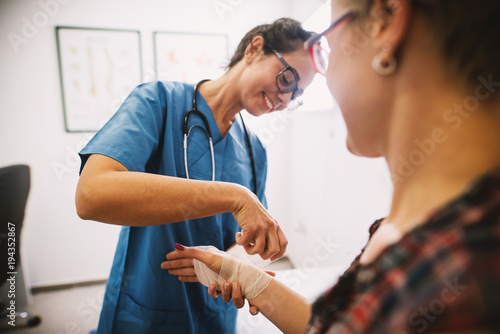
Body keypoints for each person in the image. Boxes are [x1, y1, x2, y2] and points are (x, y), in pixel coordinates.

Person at [163, 0, 500, 333]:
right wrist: (245, 276)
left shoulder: (459, 276)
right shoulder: (418, 236)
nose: (286, 100)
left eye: (328, 49)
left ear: (387, 21)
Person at [75, 18, 316, 334]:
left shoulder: (254, 149)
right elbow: (91, 196)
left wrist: (242, 264)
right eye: (288, 80)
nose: (285, 100)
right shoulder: (158, 102)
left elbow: (245, 243)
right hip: (147, 307)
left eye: (296, 95)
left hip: (215, 312)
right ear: (255, 49)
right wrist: (234, 195)